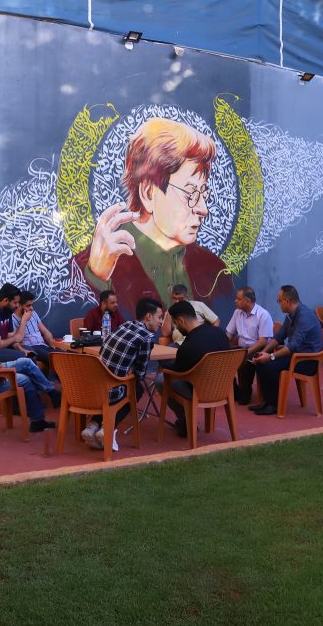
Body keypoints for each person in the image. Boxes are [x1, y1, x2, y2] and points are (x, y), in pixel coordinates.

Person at [73, 118, 233, 316]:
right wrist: (98, 279)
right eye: (190, 193)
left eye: (203, 193)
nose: (203, 208)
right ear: (149, 193)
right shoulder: (94, 268)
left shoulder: (215, 270)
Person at [81, 297, 165, 451]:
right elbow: (140, 372)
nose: (161, 322)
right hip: (110, 391)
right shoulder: (146, 337)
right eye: (160, 317)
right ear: (148, 316)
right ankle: (109, 428)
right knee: (136, 389)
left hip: (92, 387)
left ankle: (93, 425)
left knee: (121, 383)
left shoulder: (125, 325)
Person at [249, 285, 323, 416]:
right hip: (295, 356)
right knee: (261, 363)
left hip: (306, 360)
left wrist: (271, 356)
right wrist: (263, 352)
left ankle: (274, 405)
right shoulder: (290, 315)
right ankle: (267, 401)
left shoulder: (304, 317)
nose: (278, 303)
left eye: (279, 300)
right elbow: (278, 337)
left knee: (270, 366)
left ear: (287, 301)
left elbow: (292, 346)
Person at [164, 300, 231, 438]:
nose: (176, 327)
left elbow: (177, 371)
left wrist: (163, 365)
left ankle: (186, 422)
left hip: (198, 391)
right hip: (223, 387)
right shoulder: (220, 334)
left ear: (181, 320)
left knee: (162, 380)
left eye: (175, 323)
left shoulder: (188, 346)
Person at [225, 286, 274, 405]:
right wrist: (220, 345)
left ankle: (245, 393)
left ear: (247, 301)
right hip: (241, 348)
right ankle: (234, 391)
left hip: (259, 348)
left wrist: (247, 351)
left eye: (238, 299)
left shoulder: (263, 315)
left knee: (245, 360)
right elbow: (229, 334)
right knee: (220, 357)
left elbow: (263, 341)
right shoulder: (237, 313)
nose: (235, 301)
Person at [11, 290, 55, 365]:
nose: (32, 308)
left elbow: (45, 332)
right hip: (31, 348)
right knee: (53, 359)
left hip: (43, 345)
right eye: (28, 305)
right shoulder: (12, 319)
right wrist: (24, 320)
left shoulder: (33, 313)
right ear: (19, 305)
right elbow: (16, 341)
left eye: (32, 305)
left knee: (64, 355)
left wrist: (52, 344)